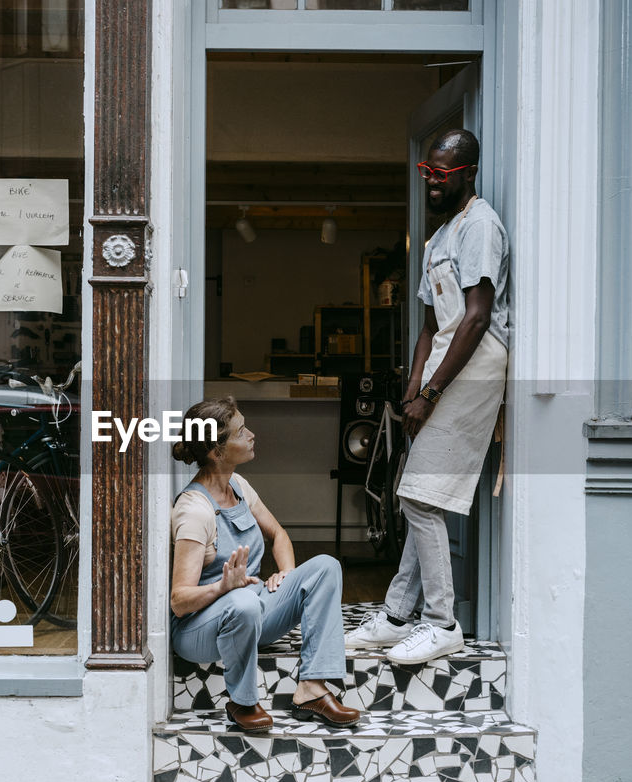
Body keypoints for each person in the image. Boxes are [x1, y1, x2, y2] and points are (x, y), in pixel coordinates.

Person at [344, 128, 510, 665]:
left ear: (467, 172)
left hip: (475, 367)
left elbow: (477, 317)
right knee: (421, 493)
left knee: (417, 496)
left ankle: (441, 622)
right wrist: (412, 385)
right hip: (442, 365)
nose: (432, 183)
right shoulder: (438, 238)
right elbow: (426, 324)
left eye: (442, 174)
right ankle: (397, 616)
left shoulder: (480, 225)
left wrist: (433, 391)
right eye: (427, 174)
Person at [171, 397, 361, 732]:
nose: (252, 435)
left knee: (325, 567)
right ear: (217, 450)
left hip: (251, 614)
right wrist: (222, 587)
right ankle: (243, 702)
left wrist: (286, 572)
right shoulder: (195, 510)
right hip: (201, 631)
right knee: (243, 602)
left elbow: (278, 534)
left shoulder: (238, 486)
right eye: (241, 432)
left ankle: (312, 688)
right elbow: (180, 601)